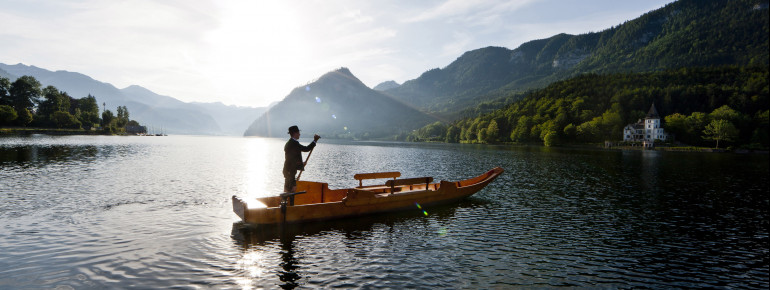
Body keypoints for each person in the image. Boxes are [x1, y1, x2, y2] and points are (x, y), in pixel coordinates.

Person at [283, 125, 320, 193]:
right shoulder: (294, 143)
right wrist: (315, 141)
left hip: (288, 170)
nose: (299, 134)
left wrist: (300, 163)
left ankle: (287, 202)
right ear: (295, 133)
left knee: (288, 190)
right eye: (298, 132)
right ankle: (289, 203)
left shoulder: (289, 143)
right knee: (292, 190)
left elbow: (291, 158)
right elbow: (306, 149)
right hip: (290, 172)